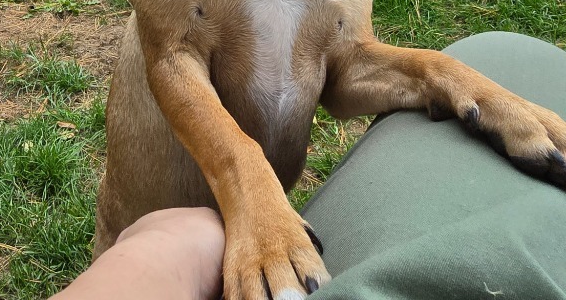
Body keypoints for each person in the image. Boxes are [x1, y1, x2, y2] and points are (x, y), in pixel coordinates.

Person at [53, 32, 566, 299]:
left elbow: (347, 74)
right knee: (500, 49)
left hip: (184, 246)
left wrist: (453, 79)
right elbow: (171, 63)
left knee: (487, 54)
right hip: (170, 243)